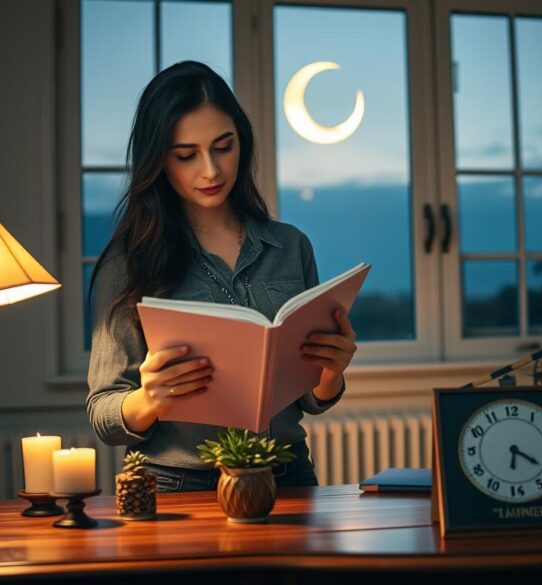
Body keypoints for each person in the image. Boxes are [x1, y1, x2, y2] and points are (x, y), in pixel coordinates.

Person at [87, 61, 357, 492]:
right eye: (186, 155)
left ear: (242, 144)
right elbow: (104, 414)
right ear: (158, 160)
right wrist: (149, 399)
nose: (211, 170)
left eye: (223, 146)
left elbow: (311, 401)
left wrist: (330, 375)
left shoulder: (291, 247)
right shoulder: (128, 263)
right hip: (180, 486)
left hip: (288, 479)